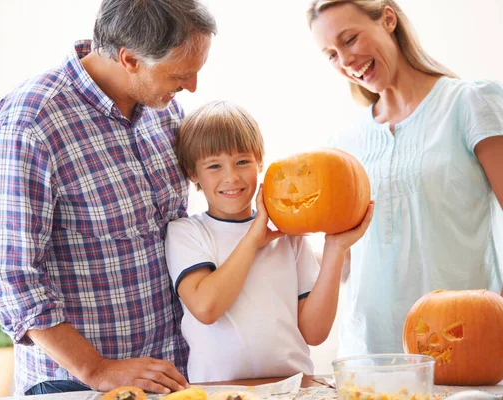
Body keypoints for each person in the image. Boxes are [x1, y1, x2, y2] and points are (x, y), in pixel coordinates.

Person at [0, 0, 216, 395]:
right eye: (181, 73)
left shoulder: (163, 108)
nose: (192, 86)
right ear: (129, 59)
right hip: (76, 384)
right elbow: (13, 279)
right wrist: (97, 370)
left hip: (168, 373)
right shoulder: (33, 119)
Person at [307, 0, 503, 358]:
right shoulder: (343, 143)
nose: (346, 61)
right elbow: (346, 259)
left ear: (387, 18)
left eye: (349, 39)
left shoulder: (469, 102)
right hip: (368, 354)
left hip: (463, 344)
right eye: (331, 55)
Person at [165, 101, 374, 382]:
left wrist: (335, 248)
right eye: (214, 166)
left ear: (260, 162)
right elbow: (206, 308)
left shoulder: (290, 237)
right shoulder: (186, 233)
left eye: (242, 161)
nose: (232, 177)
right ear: (193, 174)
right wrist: (254, 238)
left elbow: (315, 333)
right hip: (218, 391)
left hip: (293, 387)